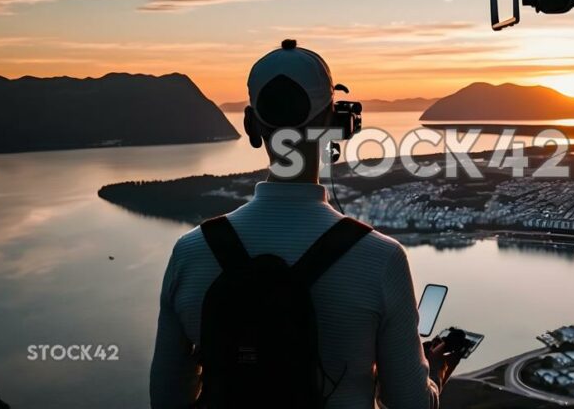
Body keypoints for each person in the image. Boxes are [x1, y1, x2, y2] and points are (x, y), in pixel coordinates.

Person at [150, 39, 460, 408]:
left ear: (250, 126)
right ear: (337, 126)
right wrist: (433, 374)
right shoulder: (381, 259)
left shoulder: (191, 253)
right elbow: (409, 403)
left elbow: (167, 400)